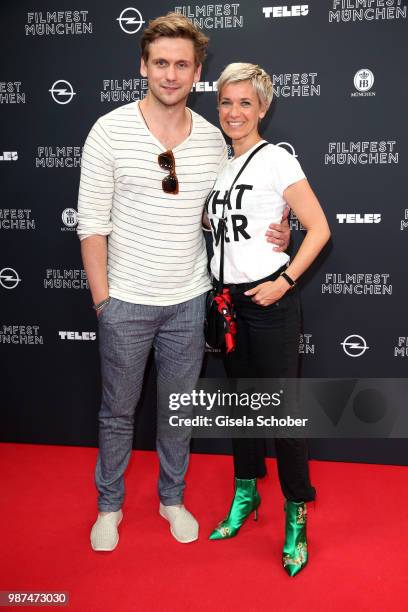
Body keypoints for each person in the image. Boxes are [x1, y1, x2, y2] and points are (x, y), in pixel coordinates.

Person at [77, 14, 290, 552]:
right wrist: (104, 301)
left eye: (182, 64)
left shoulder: (217, 141)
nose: (170, 74)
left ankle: (172, 498)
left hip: (190, 301)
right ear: (143, 66)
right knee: (118, 413)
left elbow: (225, 210)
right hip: (125, 300)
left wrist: (279, 228)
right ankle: (110, 506)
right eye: (161, 63)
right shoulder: (108, 130)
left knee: (177, 410)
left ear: (197, 72)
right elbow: (92, 224)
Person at [205, 63, 331, 576]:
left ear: (263, 108)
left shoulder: (275, 158)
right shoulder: (219, 167)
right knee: (241, 409)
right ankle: (246, 493)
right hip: (228, 304)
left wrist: (287, 278)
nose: (234, 113)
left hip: (271, 304)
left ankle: (296, 513)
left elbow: (320, 227)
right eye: (226, 103)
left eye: (244, 103)